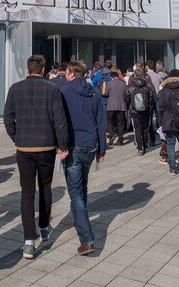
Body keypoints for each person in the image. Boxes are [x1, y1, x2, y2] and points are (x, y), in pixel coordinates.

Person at [3, 55, 70, 260]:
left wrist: (16, 137)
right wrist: (62, 145)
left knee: (27, 192)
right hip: (46, 146)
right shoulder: (52, 89)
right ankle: (44, 226)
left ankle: (29, 241)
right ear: (43, 70)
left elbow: (8, 118)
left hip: (24, 148)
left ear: (28, 69)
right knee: (45, 187)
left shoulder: (15, 89)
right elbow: (59, 119)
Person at [59, 60, 107, 256]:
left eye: (66, 73)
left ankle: (87, 239)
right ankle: (79, 219)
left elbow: (59, 120)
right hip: (90, 145)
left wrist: (59, 145)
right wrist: (102, 150)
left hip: (72, 146)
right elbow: (101, 122)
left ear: (71, 74)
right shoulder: (94, 92)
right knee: (82, 185)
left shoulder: (63, 91)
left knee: (76, 191)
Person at [126, 68, 155, 155]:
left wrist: (129, 107)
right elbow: (151, 99)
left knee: (137, 129)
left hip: (134, 111)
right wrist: (149, 106)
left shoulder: (130, 87)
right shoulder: (147, 87)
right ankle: (145, 144)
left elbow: (127, 99)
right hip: (146, 110)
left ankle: (140, 147)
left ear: (134, 75)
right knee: (145, 128)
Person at [105, 67, 130, 146]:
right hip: (121, 105)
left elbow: (105, 93)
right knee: (120, 122)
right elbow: (126, 94)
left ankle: (111, 135)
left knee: (110, 121)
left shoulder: (109, 83)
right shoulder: (123, 84)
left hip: (111, 105)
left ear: (111, 77)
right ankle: (120, 139)